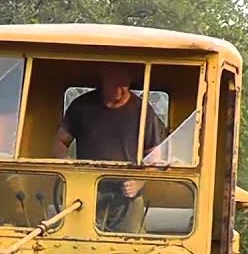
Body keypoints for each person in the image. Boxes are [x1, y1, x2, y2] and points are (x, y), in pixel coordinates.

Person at [52, 63, 167, 232]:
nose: (119, 89)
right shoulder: (81, 106)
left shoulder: (143, 111)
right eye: (114, 82)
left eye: (123, 84)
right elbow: (60, 142)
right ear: (104, 77)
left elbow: (154, 154)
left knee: (129, 242)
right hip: (87, 191)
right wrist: (70, 169)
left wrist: (139, 181)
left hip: (127, 197)